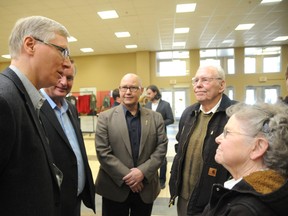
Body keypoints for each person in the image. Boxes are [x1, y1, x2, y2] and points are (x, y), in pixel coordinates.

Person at [0, 16, 71, 215]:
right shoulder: (4, 99)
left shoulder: (24, 97)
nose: (66, 62)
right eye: (61, 50)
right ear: (30, 45)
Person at [95, 73, 168, 216]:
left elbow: (161, 148)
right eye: (124, 88)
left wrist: (142, 173)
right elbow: (103, 152)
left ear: (141, 90)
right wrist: (130, 176)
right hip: (114, 188)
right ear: (119, 90)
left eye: (133, 88)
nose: (128, 92)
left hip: (145, 187)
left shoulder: (155, 118)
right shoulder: (105, 118)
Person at [169, 65, 237, 215]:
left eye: (205, 80)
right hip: (185, 197)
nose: (198, 85)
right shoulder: (189, 113)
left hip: (217, 201)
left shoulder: (235, 114)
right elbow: (180, 148)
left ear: (222, 85)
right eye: (195, 80)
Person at [202, 102, 288, 216]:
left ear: (258, 147)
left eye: (227, 133)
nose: (218, 139)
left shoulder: (245, 210)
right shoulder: (270, 192)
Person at [39, 60, 96, 216]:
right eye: (59, 76)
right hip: (51, 203)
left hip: (74, 200)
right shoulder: (33, 107)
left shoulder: (70, 107)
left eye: (69, 78)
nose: (64, 82)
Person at [145, 84, 174, 189]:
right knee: (149, 157)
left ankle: (162, 180)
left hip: (161, 135)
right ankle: (151, 178)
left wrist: (159, 124)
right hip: (148, 136)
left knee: (162, 159)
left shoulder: (165, 105)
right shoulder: (147, 105)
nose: (147, 95)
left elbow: (171, 119)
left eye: (149, 93)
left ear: (155, 92)